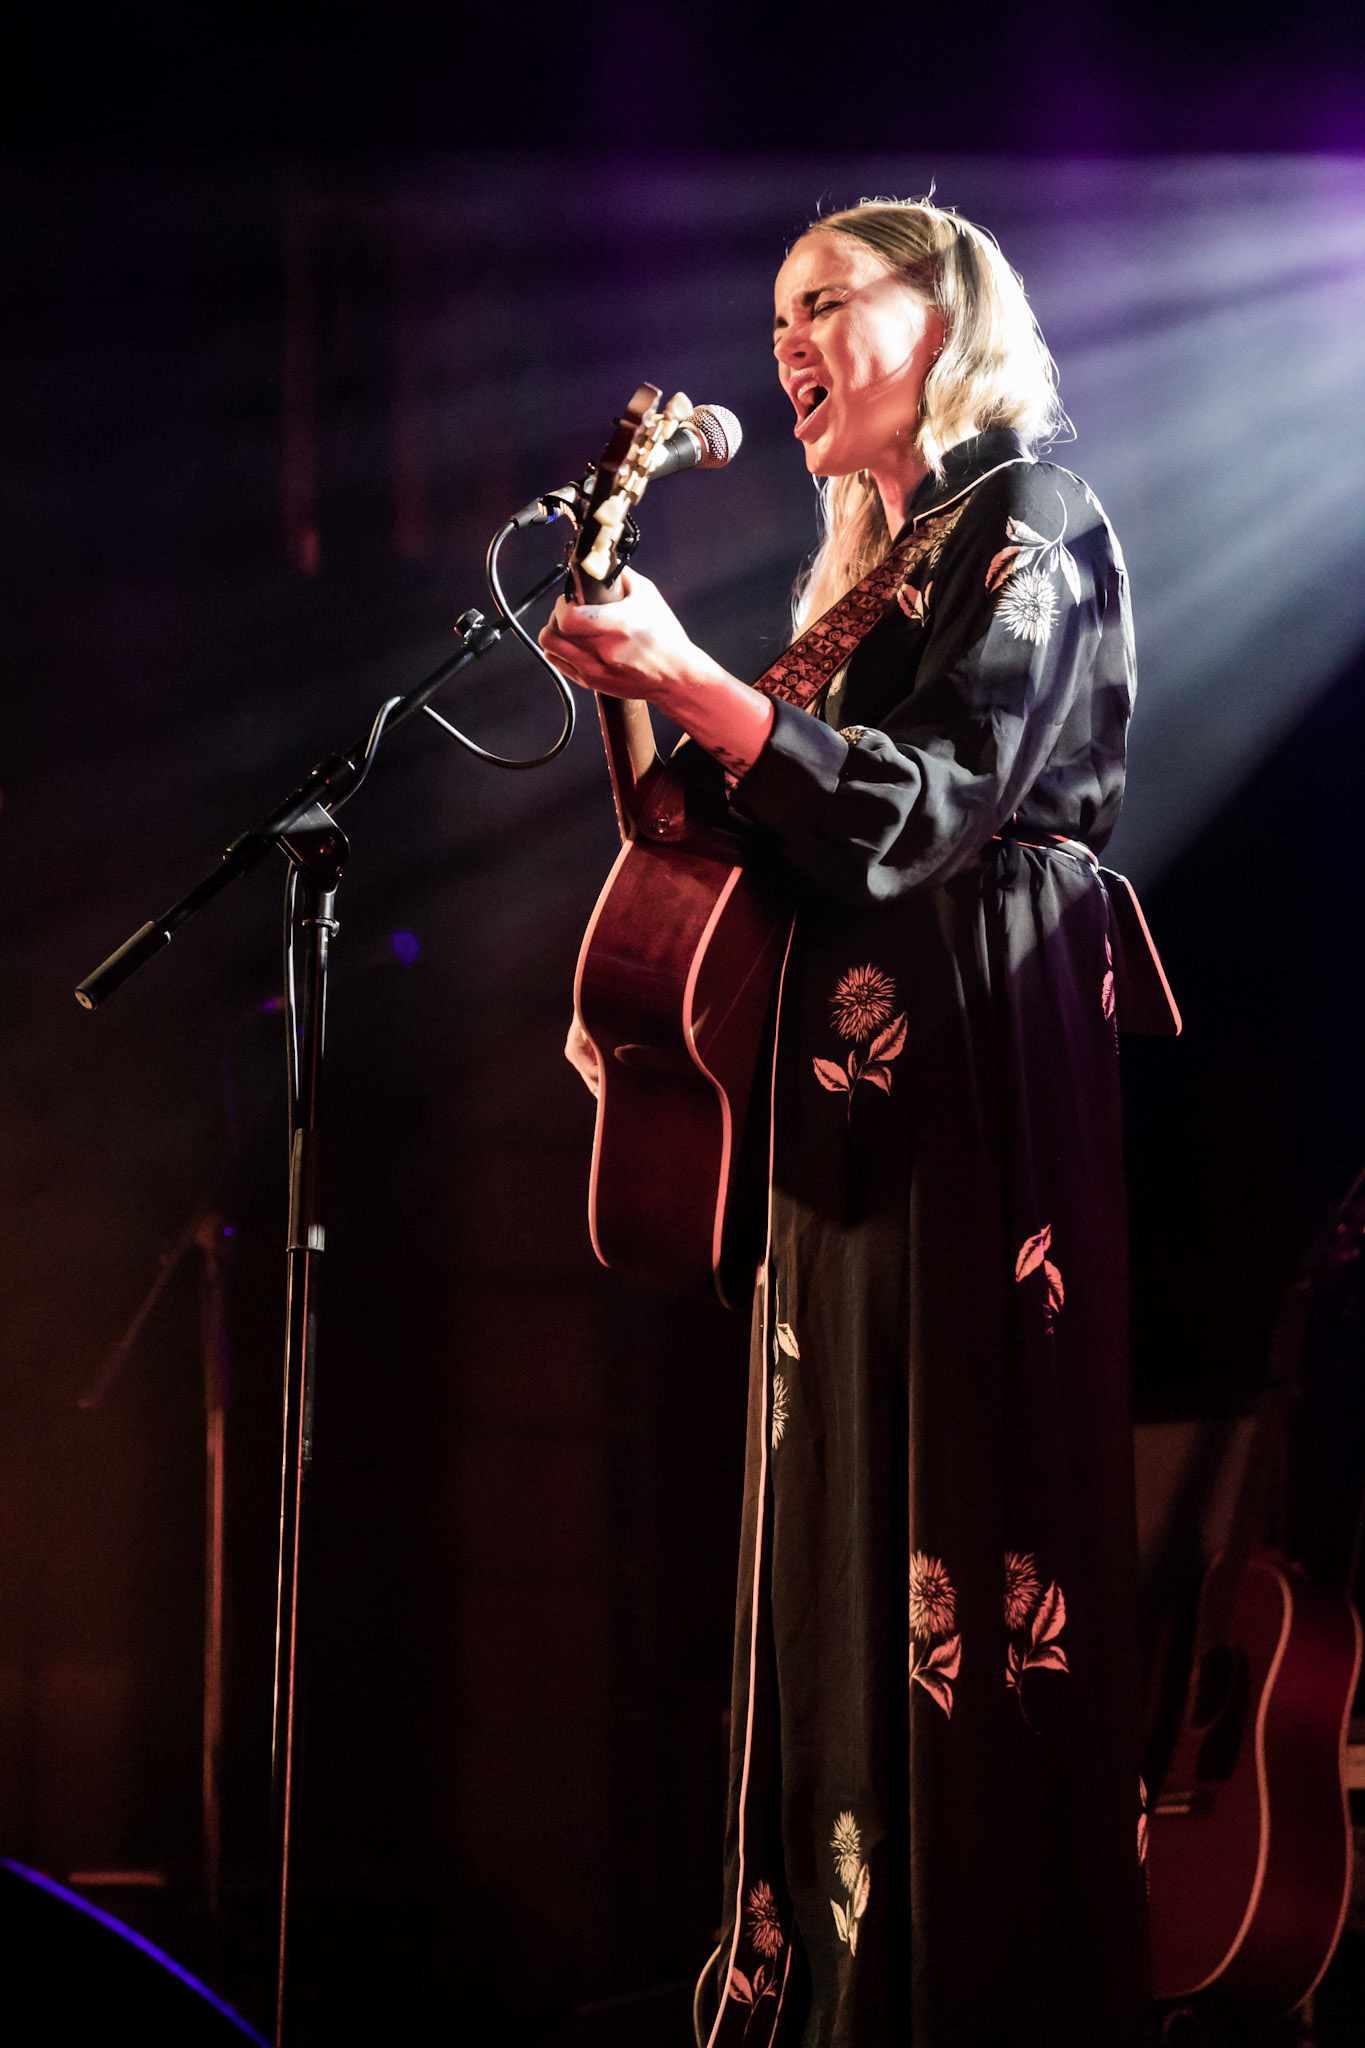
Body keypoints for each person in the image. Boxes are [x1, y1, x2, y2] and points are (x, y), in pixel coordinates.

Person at [540, 200, 1150, 2048]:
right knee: (838, 1520)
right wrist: (639, 749)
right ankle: (837, 1996)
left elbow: (927, 808)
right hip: (837, 1099)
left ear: (939, 311)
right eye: (773, 316)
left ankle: (981, 1995)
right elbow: (722, 835)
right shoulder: (867, 581)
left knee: (966, 1503)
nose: (785, 342)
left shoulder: (1029, 514)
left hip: (969, 1056)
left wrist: (693, 682)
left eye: (821, 301)